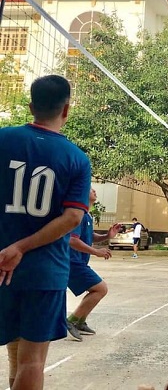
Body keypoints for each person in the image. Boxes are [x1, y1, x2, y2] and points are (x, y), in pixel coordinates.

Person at [0, 75, 91, 390]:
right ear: (66, 109)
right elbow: (72, 217)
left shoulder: (3, 139)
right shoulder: (76, 158)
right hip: (44, 271)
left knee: (15, 355)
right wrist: (22, 247)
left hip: (1, 264)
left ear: (30, 106)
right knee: (32, 362)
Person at [66, 188, 122, 341]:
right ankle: (72, 320)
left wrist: (107, 236)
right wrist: (96, 251)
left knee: (98, 290)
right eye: (91, 189)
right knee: (100, 288)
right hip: (72, 262)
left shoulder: (87, 215)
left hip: (79, 262)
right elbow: (72, 240)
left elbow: (89, 236)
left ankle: (80, 321)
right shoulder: (78, 213)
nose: (95, 191)